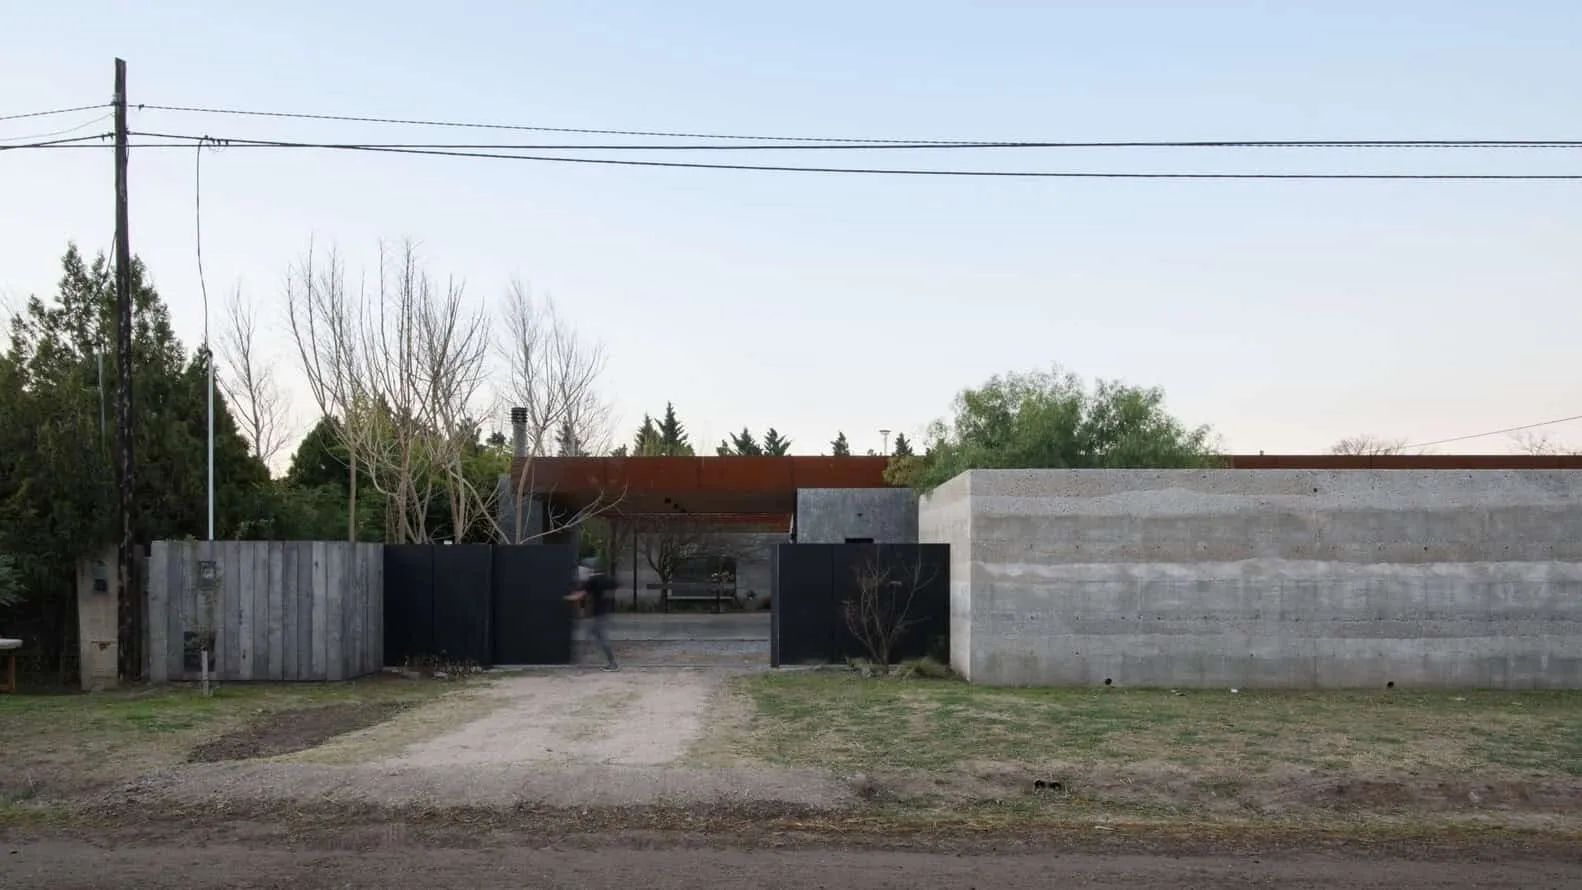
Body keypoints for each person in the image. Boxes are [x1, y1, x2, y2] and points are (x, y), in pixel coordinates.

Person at [566, 557, 619, 671]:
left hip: (597, 613)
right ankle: (581, 660)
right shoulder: (608, 579)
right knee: (590, 635)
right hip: (606, 612)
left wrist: (566, 598)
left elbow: (580, 595)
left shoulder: (593, 581)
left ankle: (612, 663)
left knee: (600, 637)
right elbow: (616, 584)